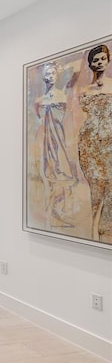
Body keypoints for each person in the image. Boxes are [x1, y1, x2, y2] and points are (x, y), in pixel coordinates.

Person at [33, 62, 77, 228]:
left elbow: (63, 119)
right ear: (43, 77)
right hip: (45, 142)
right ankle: (51, 214)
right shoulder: (40, 100)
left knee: (61, 173)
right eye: (47, 73)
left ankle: (59, 212)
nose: (50, 76)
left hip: (59, 139)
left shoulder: (61, 95)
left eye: (53, 73)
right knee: (47, 174)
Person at [77, 44, 112, 241]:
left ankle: (104, 231)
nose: (99, 62)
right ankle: (93, 232)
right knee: (96, 186)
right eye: (95, 60)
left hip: (109, 142)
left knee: (110, 183)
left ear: (108, 60)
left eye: (102, 59)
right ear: (90, 63)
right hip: (89, 142)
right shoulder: (86, 89)